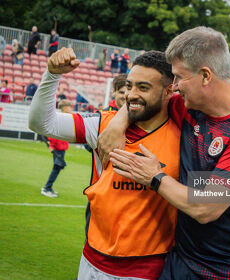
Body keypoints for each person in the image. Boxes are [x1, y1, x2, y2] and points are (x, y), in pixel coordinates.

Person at [103, 26, 230, 279]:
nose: (173, 87)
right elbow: (144, 101)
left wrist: (155, 177)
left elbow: (205, 209)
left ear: (205, 76)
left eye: (179, 77)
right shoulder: (189, 107)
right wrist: (118, 124)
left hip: (226, 270)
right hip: (179, 258)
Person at [29, 48, 180, 279]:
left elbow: (217, 193)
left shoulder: (185, 137)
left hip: (145, 268)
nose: (131, 94)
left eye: (143, 87)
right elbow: (42, 124)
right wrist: (52, 75)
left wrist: (158, 179)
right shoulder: (103, 125)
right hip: (91, 260)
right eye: (129, 86)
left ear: (169, 90)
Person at [41, 99, 73, 198]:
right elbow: (53, 134)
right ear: (64, 108)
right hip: (57, 149)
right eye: (69, 108)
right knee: (56, 168)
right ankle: (47, 188)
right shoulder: (59, 119)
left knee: (57, 168)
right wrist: (52, 146)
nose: (71, 110)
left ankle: (48, 187)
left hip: (61, 149)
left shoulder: (66, 118)